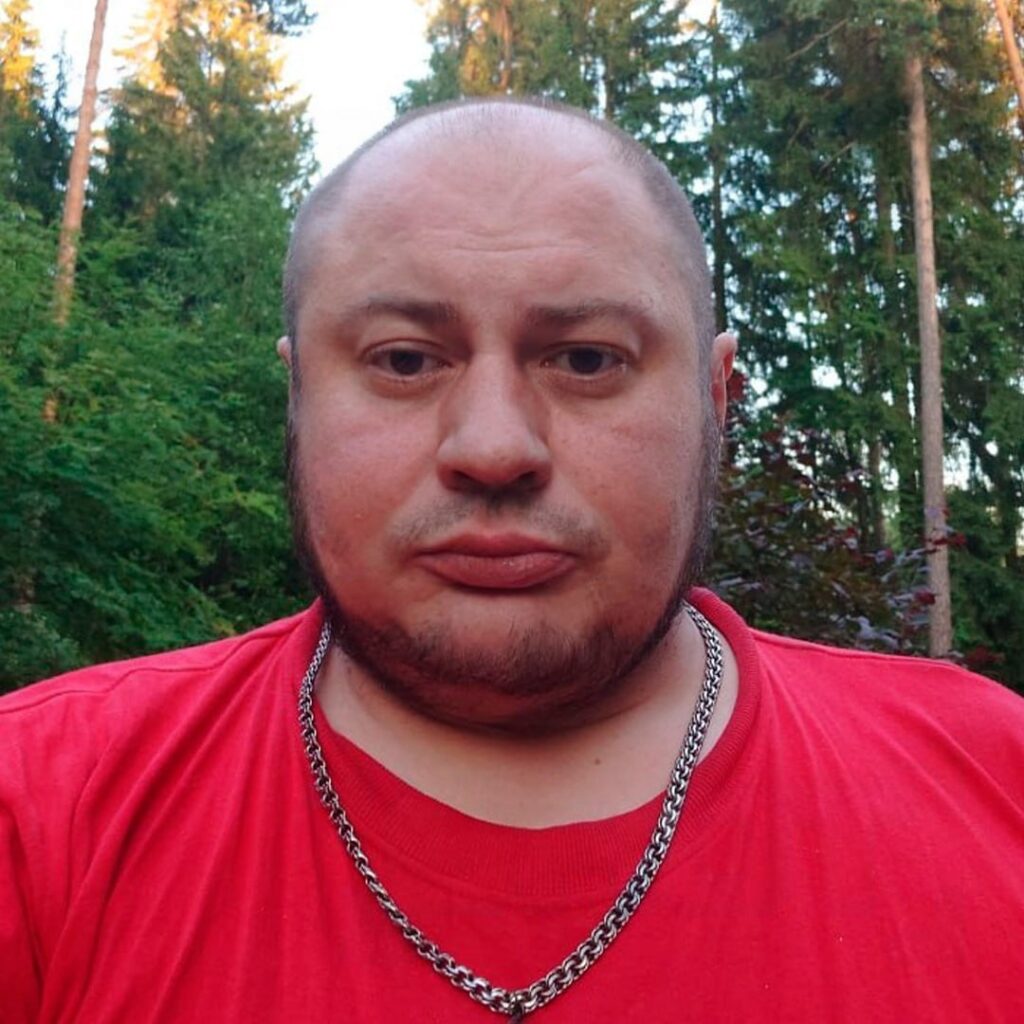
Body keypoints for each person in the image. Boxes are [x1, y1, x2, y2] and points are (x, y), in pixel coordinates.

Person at [2, 98, 1023, 1024]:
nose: (493, 448)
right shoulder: (39, 815)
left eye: (586, 359)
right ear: (298, 397)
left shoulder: (995, 779)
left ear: (716, 403)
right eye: (405, 359)